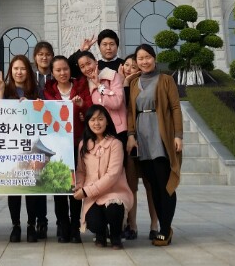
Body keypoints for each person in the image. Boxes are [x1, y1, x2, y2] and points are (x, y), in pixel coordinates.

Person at [127, 44, 183, 247]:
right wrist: (131, 134)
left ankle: (165, 229)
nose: (144, 61)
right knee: (152, 183)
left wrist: (178, 135)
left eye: (147, 57)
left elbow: (175, 108)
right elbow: (131, 112)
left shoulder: (166, 80)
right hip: (142, 137)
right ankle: (164, 227)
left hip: (160, 137)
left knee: (164, 184)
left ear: (154, 58)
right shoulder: (134, 83)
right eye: (140, 58)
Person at [0, 55, 44, 242]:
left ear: (28, 71)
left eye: (22, 68)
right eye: (15, 68)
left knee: (31, 187)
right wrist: (0, 92)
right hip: (11, 146)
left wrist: (30, 107)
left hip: (32, 146)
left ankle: (31, 225)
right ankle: (16, 225)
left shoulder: (37, 90)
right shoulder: (5, 89)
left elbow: (45, 114)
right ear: (11, 71)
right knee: (14, 187)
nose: (19, 72)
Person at [44, 55, 91, 243]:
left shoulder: (81, 86)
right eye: (58, 70)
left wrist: (82, 107)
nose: (62, 73)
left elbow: (92, 112)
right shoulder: (48, 90)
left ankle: (75, 228)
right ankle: (62, 226)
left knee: (76, 188)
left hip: (77, 144)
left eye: (65, 69)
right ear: (52, 73)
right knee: (59, 189)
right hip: (57, 147)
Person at [74, 105, 133, 249]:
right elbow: (81, 171)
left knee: (114, 209)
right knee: (93, 222)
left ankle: (115, 236)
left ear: (107, 121)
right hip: (93, 196)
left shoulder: (116, 143)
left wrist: (87, 191)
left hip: (114, 192)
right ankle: (100, 234)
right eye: (93, 119)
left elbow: (112, 175)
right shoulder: (83, 144)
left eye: (100, 119)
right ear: (87, 122)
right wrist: (79, 187)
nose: (97, 123)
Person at [121, 54, 158, 241]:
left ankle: (154, 225)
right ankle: (132, 225)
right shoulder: (122, 85)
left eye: (133, 66)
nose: (129, 68)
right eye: (126, 65)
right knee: (131, 185)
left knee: (151, 185)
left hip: (149, 138)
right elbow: (125, 108)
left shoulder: (148, 84)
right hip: (131, 140)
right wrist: (126, 82)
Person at [76, 50, 127, 142]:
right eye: (82, 67)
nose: (87, 68)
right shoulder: (84, 84)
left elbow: (116, 102)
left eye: (88, 63)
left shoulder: (112, 75)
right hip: (98, 131)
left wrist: (99, 85)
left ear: (96, 61)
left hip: (117, 129)